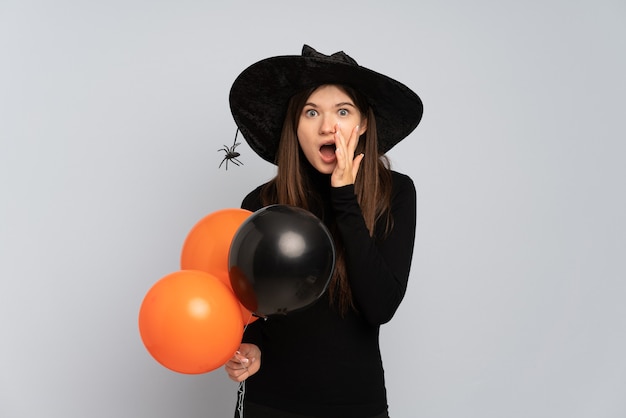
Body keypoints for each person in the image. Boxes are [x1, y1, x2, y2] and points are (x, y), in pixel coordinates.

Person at [224, 44, 423, 418]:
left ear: (363, 124)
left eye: (342, 111)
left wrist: (344, 198)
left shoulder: (395, 193)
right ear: (294, 127)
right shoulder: (260, 202)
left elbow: (380, 306)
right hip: (271, 402)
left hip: (356, 405)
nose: (327, 126)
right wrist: (248, 346)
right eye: (311, 112)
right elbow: (245, 306)